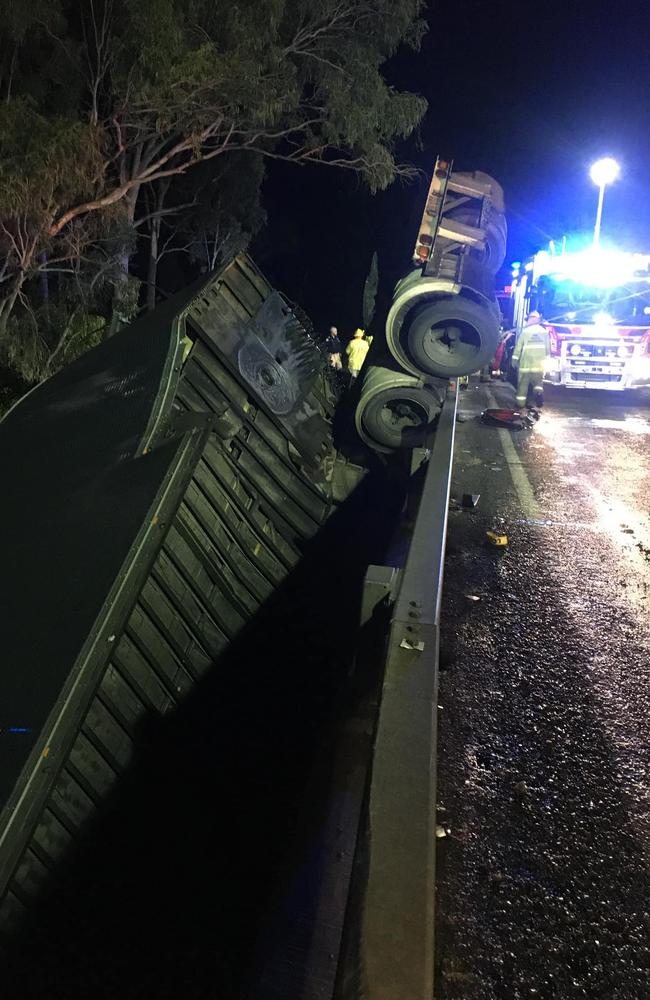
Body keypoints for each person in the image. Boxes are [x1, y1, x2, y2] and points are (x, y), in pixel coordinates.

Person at [511, 311, 550, 408]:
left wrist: (514, 361)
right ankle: (538, 394)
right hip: (539, 365)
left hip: (526, 365)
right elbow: (548, 349)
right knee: (538, 383)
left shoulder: (525, 332)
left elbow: (518, 347)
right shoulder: (544, 332)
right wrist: (547, 362)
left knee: (523, 386)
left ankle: (520, 404)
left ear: (531, 319)